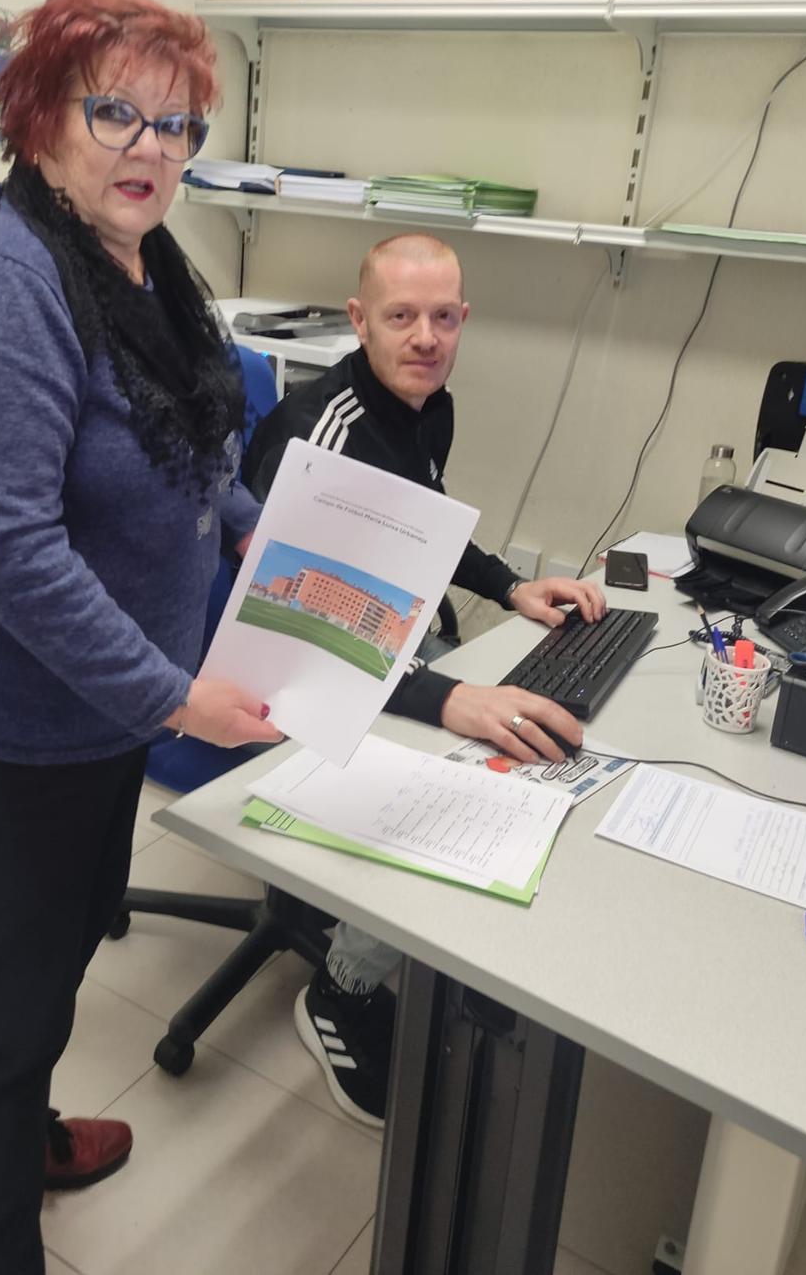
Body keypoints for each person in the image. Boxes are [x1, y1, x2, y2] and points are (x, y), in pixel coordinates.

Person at [0, 0, 282, 1275]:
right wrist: (176, 696)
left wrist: (250, 518)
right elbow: (10, 550)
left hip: (106, 703)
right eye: (116, 111)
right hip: (9, 712)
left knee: (63, 940)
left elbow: (181, 434)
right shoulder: (1, 290)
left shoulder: (145, 263)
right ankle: (0, 1237)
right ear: (40, 114)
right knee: (12, 991)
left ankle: (34, 1128)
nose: (151, 148)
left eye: (176, 125)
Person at [242, 233, 606, 1127]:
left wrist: (509, 585)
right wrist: (448, 697)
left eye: (444, 318)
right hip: (281, 671)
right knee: (463, 770)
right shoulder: (317, 436)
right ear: (359, 320)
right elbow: (300, 643)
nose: (425, 337)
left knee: (522, 737)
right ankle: (343, 989)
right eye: (401, 317)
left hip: (379, 642)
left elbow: (431, 525)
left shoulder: (428, 404)